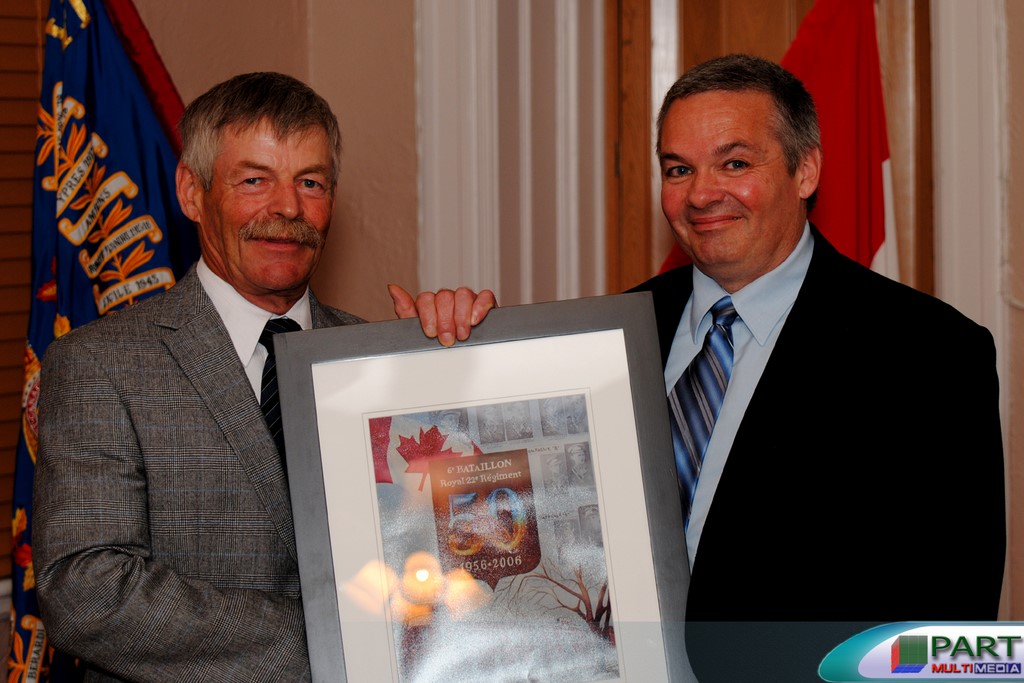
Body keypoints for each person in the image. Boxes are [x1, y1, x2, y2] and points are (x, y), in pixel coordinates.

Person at [394, 54, 1005, 682]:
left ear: (805, 170)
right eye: (678, 169)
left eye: (734, 163)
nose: (701, 194)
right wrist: (443, 357)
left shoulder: (931, 357)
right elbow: (503, 522)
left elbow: (946, 638)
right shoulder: (600, 342)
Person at [32, 72, 494, 682]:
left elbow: (460, 550)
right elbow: (86, 592)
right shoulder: (100, 366)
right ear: (191, 192)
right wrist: (335, 638)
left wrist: (460, 372)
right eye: (254, 180)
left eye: (310, 182)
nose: (288, 208)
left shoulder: (382, 360)